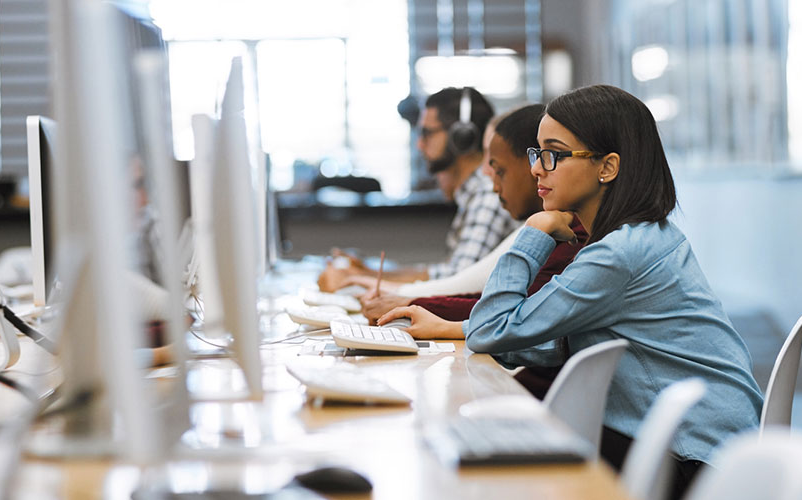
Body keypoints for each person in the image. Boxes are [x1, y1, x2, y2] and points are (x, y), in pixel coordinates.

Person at [380, 85, 763, 499]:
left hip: (695, 461)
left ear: (608, 167)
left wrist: (533, 232)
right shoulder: (637, 238)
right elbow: (565, 341)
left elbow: (492, 330)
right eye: (537, 153)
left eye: (554, 154)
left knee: (489, 455)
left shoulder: (618, 255)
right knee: (493, 440)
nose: (537, 169)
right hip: (711, 445)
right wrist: (451, 327)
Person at [360, 104, 585, 325]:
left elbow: (508, 317)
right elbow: (498, 306)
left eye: (553, 155)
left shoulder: (572, 236)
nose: (536, 169)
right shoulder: (557, 225)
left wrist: (410, 304)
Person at [317, 87, 518, 290]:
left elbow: (456, 283)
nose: (419, 145)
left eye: (427, 133)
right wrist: (367, 273)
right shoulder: (474, 195)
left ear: (461, 137)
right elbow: (446, 273)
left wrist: (361, 279)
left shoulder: (488, 196)